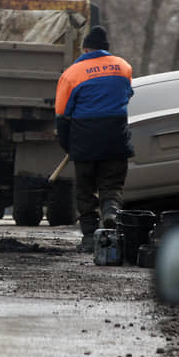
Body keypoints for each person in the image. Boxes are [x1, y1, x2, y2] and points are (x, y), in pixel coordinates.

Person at [54, 25, 134, 252]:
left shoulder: (71, 73)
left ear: (86, 49)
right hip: (116, 137)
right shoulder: (124, 67)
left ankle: (89, 237)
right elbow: (127, 95)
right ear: (106, 49)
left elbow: (62, 114)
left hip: (85, 138)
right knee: (112, 185)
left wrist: (68, 145)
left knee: (85, 190)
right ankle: (110, 211)